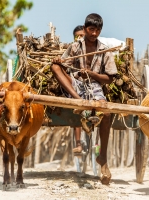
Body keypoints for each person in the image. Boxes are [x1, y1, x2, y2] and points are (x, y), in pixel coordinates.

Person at [51, 13, 117, 185]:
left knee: (107, 113)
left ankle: (102, 158)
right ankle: (78, 102)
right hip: (76, 86)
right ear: (85, 29)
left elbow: (110, 78)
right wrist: (59, 60)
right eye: (91, 29)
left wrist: (93, 74)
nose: (94, 33)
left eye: (97, 30)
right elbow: (63, 63)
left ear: (100, 30)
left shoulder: (105, 51)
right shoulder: (74, 47)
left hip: (95, 87)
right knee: (54, 66)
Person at [71, 25, 85, 153]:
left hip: (92, 85)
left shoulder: (94, 49)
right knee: (77, 104)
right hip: (75, 83)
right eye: (77, 36)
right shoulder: (73, 49)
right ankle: (78, 143)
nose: (80, 38)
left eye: (82, 35)